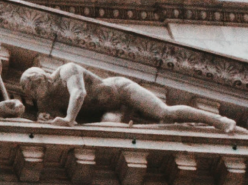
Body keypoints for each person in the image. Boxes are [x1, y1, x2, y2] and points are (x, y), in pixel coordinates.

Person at [19, 61, 238, 133]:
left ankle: (220, 121)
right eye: (31, 94)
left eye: (34, 89)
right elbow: (50, 120)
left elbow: (79, 93)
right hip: (108, 113)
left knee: (165, 113)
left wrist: (68, 119)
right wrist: (45, 119)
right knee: (108, 127)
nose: (35, 96)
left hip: (121, 92)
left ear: (42, 79)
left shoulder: (67, 70)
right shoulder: (44, 100)